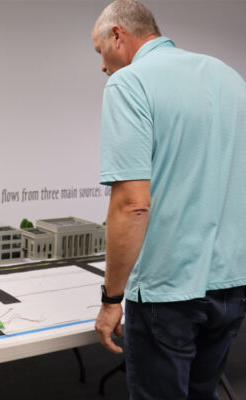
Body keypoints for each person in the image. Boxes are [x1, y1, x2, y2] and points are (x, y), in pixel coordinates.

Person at [92, 1, 246, 398]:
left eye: (100, 52)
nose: (103, 65)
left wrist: (111, 298)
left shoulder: (130, 82)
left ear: (117, 35)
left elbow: (132, 204)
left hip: (168, 288)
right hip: (230, 283)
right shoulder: (229, 77)